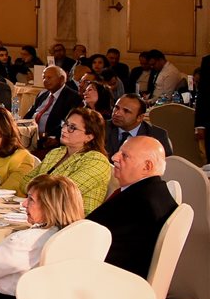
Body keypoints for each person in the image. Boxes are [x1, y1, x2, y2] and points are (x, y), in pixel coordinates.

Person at [89, 136, 177, 279]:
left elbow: (94, 242)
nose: (114, 158)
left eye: (124, 156)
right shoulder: (155, 191)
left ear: (147, 167)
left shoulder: (139, 204)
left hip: (110, 279)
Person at [31, 107, 113, 213]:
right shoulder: (56, 152)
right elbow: (25, 182)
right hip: (44, 212)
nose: (64, 129)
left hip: (74, 219)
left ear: (89, 136)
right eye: (65, 124)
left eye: (72, 128)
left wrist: (35, 188)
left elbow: (63, 193)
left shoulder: (97, 161)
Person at [26, 65, 82, 152]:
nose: (45, 80)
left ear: (61, 79)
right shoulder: (42, 94)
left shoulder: (72, 97)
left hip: (51, 139)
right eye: (44, 77)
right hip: (31, 135)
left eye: (49, 77)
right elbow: (30, 114)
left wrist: (47, 135)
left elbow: (67, 122)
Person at [107, 92, 173, 158]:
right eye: (117, 107)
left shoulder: (157, 136)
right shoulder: (103, 128)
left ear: (140, 117)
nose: (117, 113)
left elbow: (165, 162)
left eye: (126, 111)